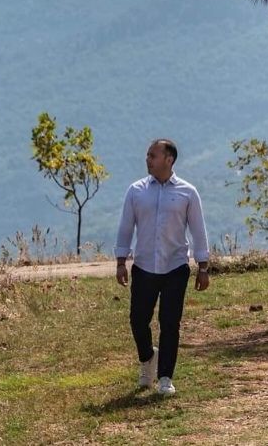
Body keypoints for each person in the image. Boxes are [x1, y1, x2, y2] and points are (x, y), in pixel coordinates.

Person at [114, 138, 210, 396]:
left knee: (170, 323)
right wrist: (121, 261)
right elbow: (126, 228)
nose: (147, 160)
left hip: (175, 267)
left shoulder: (187, 192)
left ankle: (165, 377)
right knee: (137, 321)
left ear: (169, 159)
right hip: (144, 266)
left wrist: (203, 267)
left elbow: (198, 230)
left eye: (153, 156)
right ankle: (148, 358)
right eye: (147, 155)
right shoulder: (136, 191)